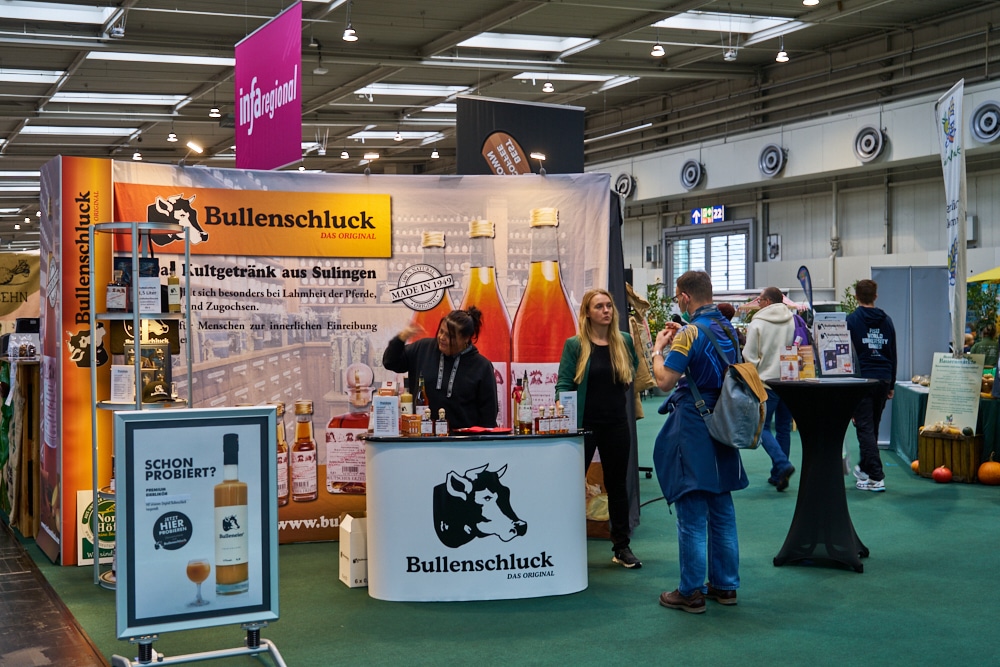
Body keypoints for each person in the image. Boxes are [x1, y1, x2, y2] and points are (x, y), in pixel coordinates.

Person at [650, 270, 748, 613]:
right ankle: (725, 585)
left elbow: (664, 381)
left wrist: (658, 349)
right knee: (721, 506)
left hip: (695, 423)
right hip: (725, 421)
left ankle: (690, 591)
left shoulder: (690, 333)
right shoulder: (727, 328)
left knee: (691, 508)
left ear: (684, 297)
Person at [556, 289, 641, 569]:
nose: (606, 310)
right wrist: (561, 403)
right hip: (584, 425)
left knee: (617, 486)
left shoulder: (624, 341)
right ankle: (565, 544)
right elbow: (564, 381)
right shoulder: (575, 345)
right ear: (587, 313)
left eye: (609, 306)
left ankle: (622, 547)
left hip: (616, 423)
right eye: (599, 306)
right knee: (572, 485)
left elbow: (633, 366)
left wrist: (626, 378)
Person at [383, 306, 498, 430]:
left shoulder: (482, 367)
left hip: (463, 439)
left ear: (466, 338)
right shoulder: (423, 349)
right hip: (422, 436)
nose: (442, 337)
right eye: (441, 331)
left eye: (449, 336)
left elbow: (488, 416)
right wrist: (400, 339)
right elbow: (390, 362)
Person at [743, 287, 797, 492]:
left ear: (767, 301)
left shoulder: (757, 322)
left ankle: (782, 464)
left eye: (759, 300)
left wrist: (753, 376)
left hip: (766, 382)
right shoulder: (792, 319)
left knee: (762, 427)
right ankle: (778, 474)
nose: (758, 304)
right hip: (788, 380)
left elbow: (750, 355)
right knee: (783, 428)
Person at [847, 279, 897, 493]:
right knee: (872, 427)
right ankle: (866, 469)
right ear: (876, 296)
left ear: (856, 297)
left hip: (863, 379)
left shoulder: (851, 320)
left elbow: (847, 353)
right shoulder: (887, 321)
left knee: (864, 428)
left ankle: (876, 476)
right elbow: (892, 353)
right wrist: (892, 383)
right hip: (883, 378)